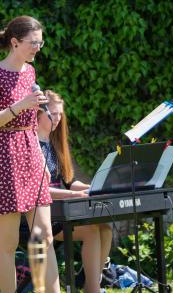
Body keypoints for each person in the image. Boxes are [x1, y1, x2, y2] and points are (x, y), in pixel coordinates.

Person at [0, 16, 60, 293]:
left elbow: (33, 122)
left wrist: (40, 157)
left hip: (30, 150)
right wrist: (20, 105)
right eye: (33, 42)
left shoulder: (30, 72)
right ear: (15, 42)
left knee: (44, 235)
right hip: (5, 156)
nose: (38, 47)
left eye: (41, 42)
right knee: (9, 242)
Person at [38, 90, 113, 293]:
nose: (58, 119)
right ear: (38, 114)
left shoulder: (55, 143)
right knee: (91, 231)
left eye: (60, 114)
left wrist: (95, 188)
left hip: (59, 210)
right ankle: (93, 289)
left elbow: (69, 183)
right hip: (41, 216)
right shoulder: (32, 145)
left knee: (105, 227)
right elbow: (40, 189)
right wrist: (75, 196)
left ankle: (91, 283)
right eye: (53, 114)